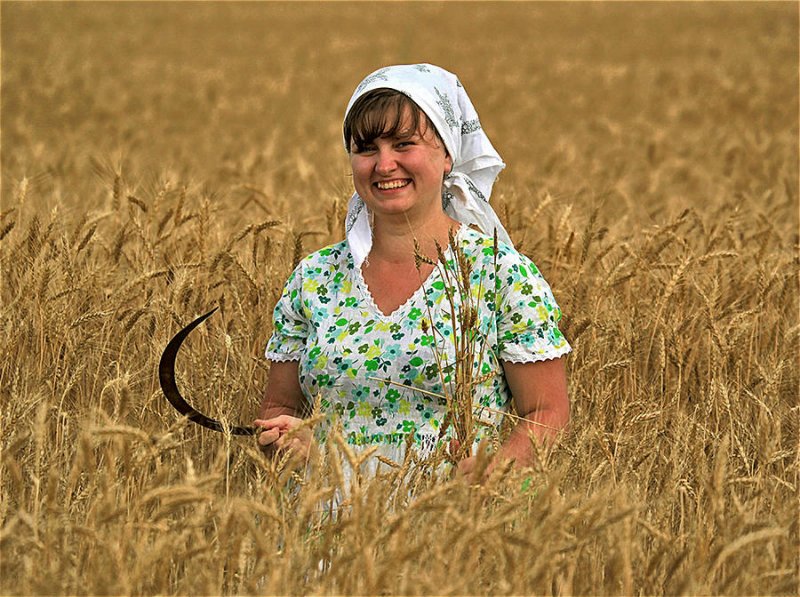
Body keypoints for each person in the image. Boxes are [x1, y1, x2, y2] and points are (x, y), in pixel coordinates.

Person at [254, 64, 570, 480]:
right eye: (366, 149)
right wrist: (284, 443)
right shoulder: (314, 278)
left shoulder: (501, 274)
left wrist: (497, 469)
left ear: (447, 154)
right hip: (324, 527)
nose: (385, 165)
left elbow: (547, 411)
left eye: (404, 144)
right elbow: (280, 408)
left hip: (454, 526)